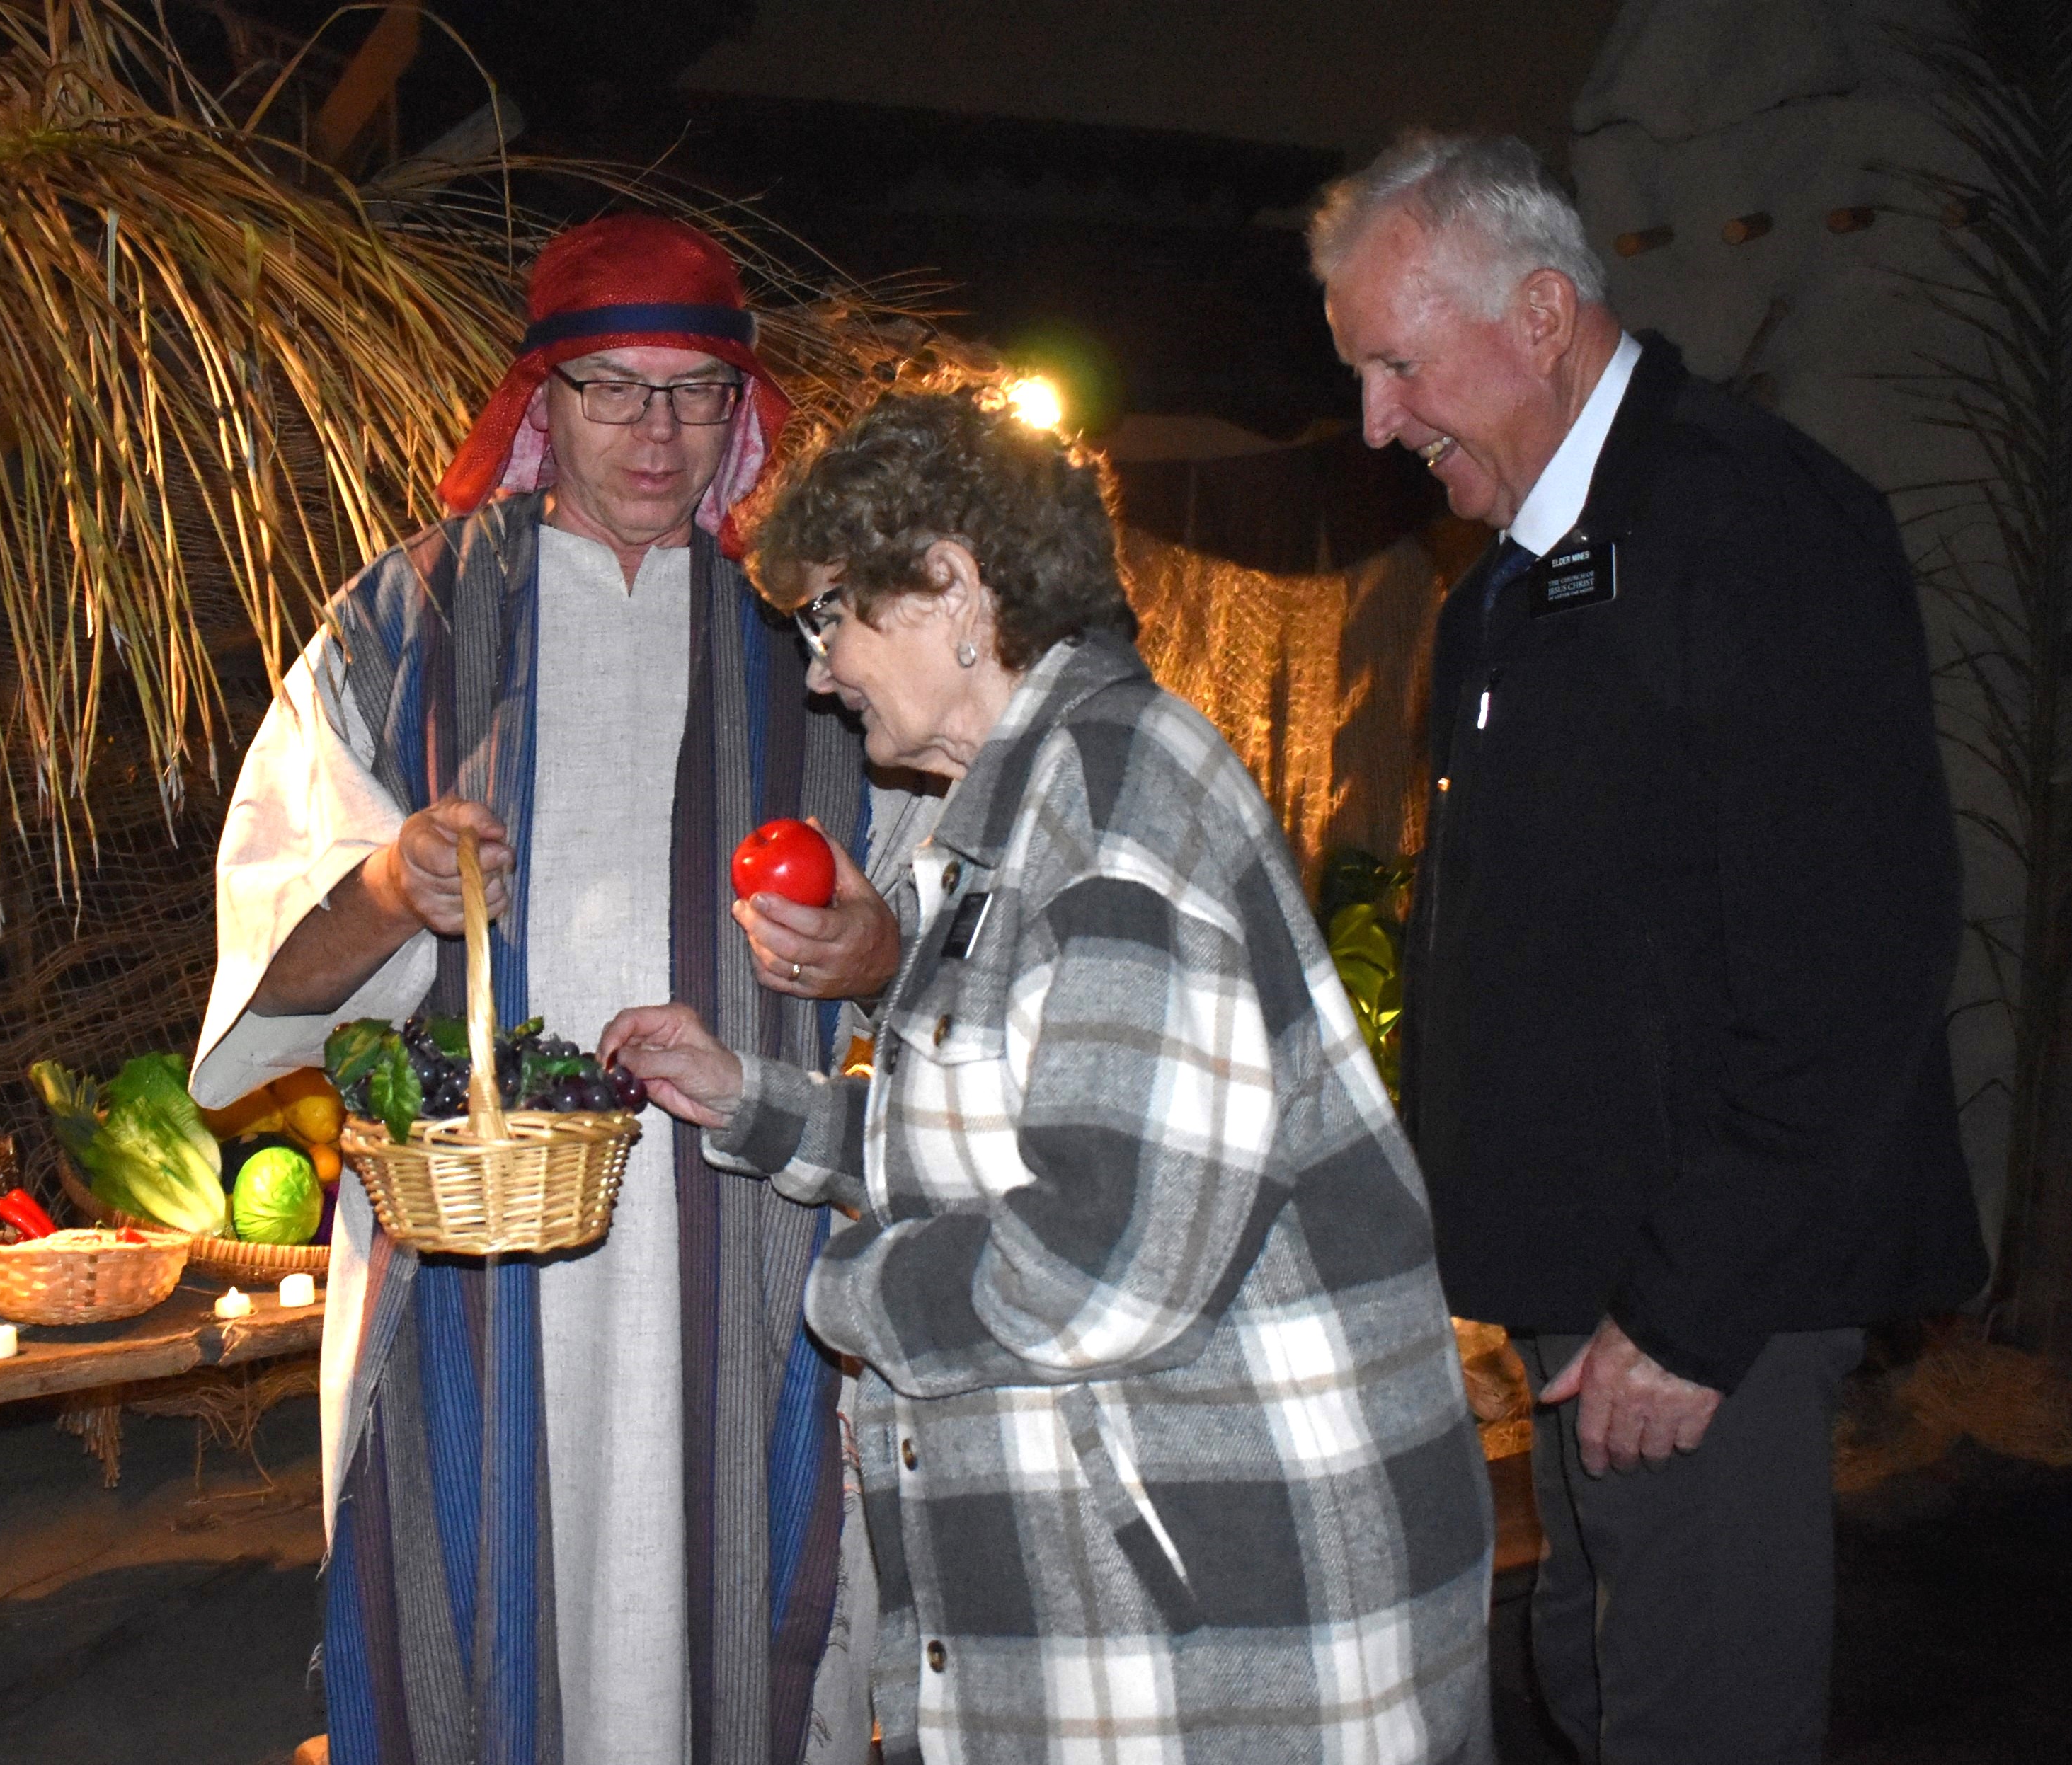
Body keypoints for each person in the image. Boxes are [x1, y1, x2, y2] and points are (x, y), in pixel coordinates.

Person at [602, 390, 1496, 1765]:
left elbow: (1105, 1254)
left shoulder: (1113, 794)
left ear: (954, 585)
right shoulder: (1017, 815)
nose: (820, 670)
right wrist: (748, 1101)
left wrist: (841, 1291)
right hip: (1143, 1605)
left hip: (1231, 1624)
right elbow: (999, 1138)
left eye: (830, 612)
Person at [192, 212, 933, 1765]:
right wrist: (387, 883)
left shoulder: (823, 633)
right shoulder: (400, 625)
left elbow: (945, 923)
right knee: (478, 1596)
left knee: (741, 1603)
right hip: (474, 1254)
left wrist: (867, 952)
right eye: (614, 388)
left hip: (752, 1236)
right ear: (540, 398)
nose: (657, 434)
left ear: (744, 410)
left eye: (695, 393)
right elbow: (266, 938)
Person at [1312, 132, 1990, 1764]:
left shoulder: (1753, 522)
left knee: (1698, 1710)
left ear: (1540, 314)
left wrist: (1686, 1314)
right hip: (1586, 1288)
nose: (1373, 422)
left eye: (1397, 365)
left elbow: (1853, 958)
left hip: (1698, 1305)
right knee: (1596, 1670)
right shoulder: (1508, 581)